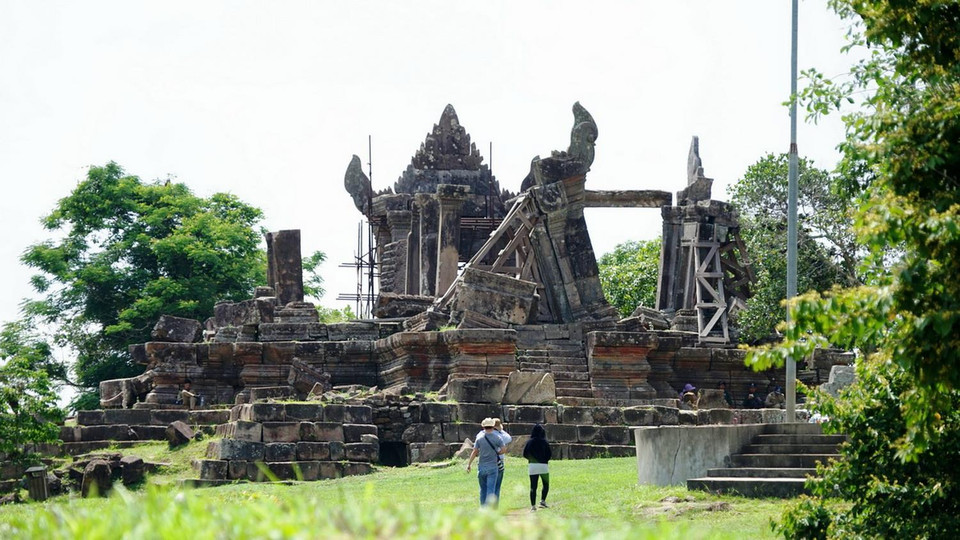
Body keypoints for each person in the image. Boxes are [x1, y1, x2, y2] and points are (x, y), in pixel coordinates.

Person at [466, 417, 506, 507]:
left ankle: (483, 508)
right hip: (493, 466)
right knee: (491, 489)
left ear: (483, 427)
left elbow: (475, 451)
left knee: (483, 489)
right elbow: (503, 450)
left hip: (482, 466)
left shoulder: (479, 438)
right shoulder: (497, 438)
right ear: (493, 427)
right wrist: (497, 453)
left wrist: (469, 464)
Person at [475, 418, 511, 502]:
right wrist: (501, 430)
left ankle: (484, 507)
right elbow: (509, 438)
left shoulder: (480, 435)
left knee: (483, 488)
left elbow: (475, 448)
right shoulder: (500, 436)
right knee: (496, 487)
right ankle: (493, 507)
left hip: (483, 463)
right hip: (497, 462)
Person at [523, 424, 552, 512]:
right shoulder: (544, 442)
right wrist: (544, 460)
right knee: (545, 484)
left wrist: (531, 459)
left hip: (533, 466)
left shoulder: (530, 442)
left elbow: (525, 454)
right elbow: (549, 454)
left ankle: (533, 506)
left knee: (533, 486)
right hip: (543, 465)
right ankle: (542, 501)